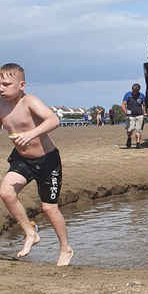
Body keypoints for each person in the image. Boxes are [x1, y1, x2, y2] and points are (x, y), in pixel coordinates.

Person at [0, 63, 74, 266]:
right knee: (6, 193)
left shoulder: (29, 102)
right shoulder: (0, 104)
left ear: (21, 85)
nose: (1, 88)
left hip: (47, 160)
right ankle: (30, 233)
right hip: (22, 159)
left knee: (49, 208)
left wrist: (31, 134)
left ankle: (65, 248)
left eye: (6, 84)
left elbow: (53, 120)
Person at [121, 83, 146, 149]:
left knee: (138, 130)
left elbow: (144, 105)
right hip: (130, 116)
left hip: (139, 115)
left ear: (139, 90)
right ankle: (129, 138)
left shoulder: (142, 95)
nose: (135, 92)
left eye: (136, 91)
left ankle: (138, 143)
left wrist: (144, 113)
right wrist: (126, 112)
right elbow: (123, 104)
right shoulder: (128, 95)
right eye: (134, 91)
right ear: (132, 89)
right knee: (130, 129)